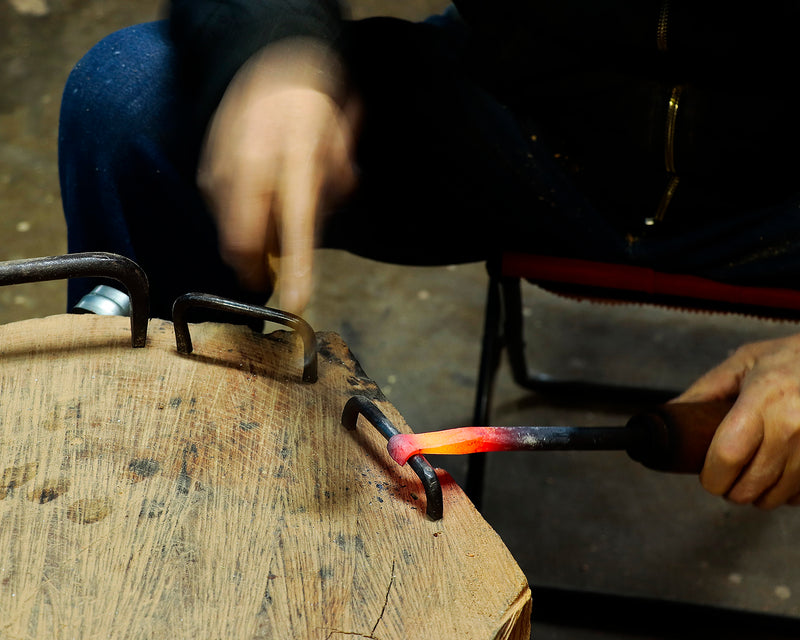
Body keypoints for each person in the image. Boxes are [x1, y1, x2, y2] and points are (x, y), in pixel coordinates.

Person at [58, 0, 800, 509]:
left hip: (773, 199)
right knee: (128, 106)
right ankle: (176, 498)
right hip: (526, 118)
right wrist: (273, 49)